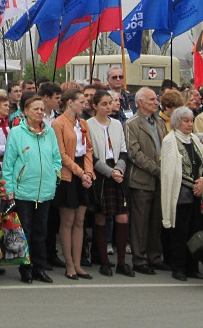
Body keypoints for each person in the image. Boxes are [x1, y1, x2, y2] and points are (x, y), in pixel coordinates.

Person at [2, 95, 62, 284]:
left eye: (42, 109)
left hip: (44, 191)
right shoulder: (16, 133)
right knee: (25, 230)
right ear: (25, 111)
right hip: (23, 190)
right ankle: (25, 269)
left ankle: (40, 267)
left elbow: (56, 158)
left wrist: (54, 174)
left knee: (41, 232)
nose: (39, 112)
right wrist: (9, 189)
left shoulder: (49, 133)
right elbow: (9, 163)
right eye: (35, 109)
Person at [161, 106, 203, 282]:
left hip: (197, 194)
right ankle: (178, 267)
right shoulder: (170, 141)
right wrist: (194, 184)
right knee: (180, 232)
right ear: (177, 122)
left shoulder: (195, 140)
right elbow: (170, 171)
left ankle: (193, 267)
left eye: (191, 120)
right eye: (185, 121)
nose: (190, 124)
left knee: (195, 232)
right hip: (180, 193)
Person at [86, 90, 132, 278]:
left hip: (117, 171)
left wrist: (119, 170)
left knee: (122, 217)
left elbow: (122, 149)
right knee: (101, 217)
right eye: (103, 104)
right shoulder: (88, 125)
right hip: (101, 172)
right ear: (95, 106)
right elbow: (91, 153)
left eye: (109, 103)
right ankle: (104, 261)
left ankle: (121, 262)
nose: (107, 107)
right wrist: (109, 172)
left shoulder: (117, 124)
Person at [52, 90, 94, 279]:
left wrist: (88, 172)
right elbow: (61, 154)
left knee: (80, 220)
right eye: (81, 101)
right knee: (67, 221)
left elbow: (88, 149)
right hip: (68, 174)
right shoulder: (58, 123)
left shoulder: (82, 123)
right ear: (70, 102)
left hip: (82, 172)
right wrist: (79, 172)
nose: (84, 105)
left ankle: (78, 264)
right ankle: (68, 263)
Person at [125, 87, 167, 275]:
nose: (156, 102)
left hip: (160, 178)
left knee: (156, 220)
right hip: (142, 179)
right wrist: (156, 169)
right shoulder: (132, 124)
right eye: (151, 100)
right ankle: (139, 259)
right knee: (140, 222)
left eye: (155, 99)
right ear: (140, 102)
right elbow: (134, 153)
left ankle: (155, 256)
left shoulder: (159, 122)